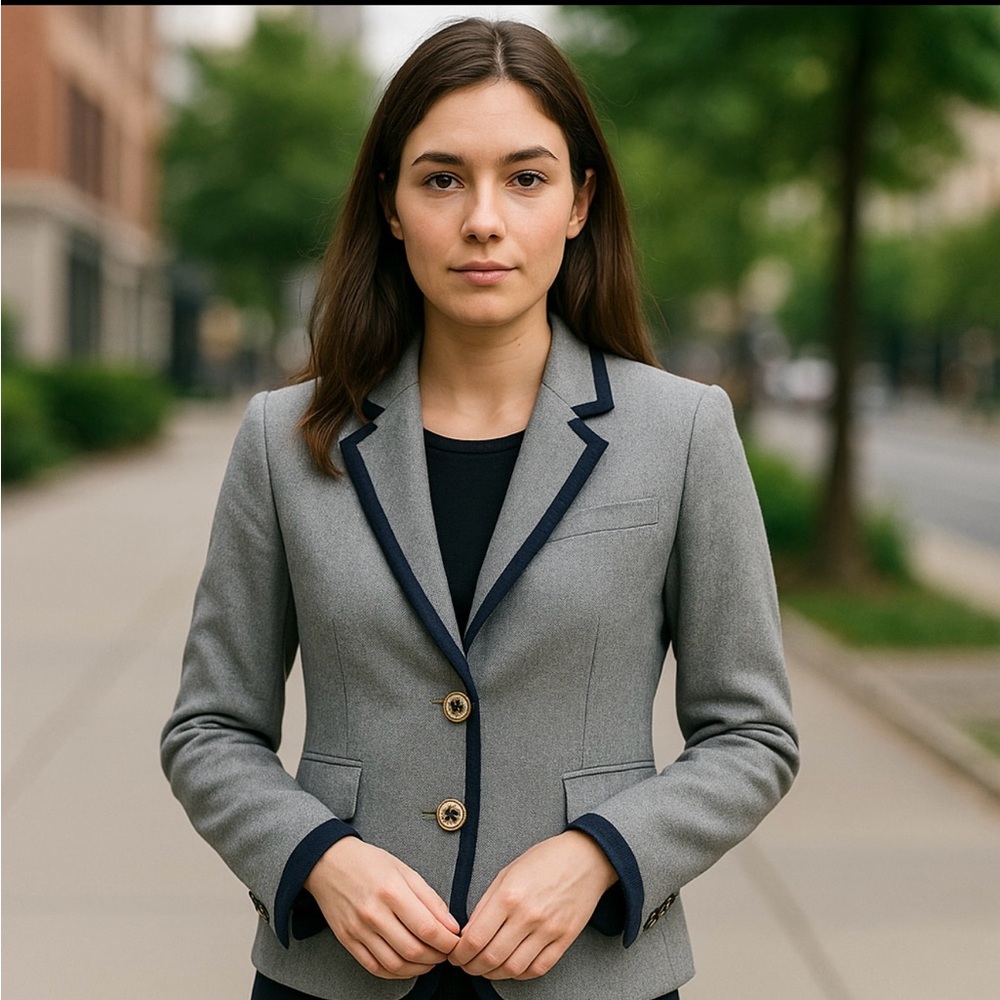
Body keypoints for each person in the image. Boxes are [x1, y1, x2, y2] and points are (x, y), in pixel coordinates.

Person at [161, 17, 799, 1000]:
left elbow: (752, 734)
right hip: (337, 977)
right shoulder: (283, 438)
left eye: (526, 178)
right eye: (442, 179)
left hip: (591, 973)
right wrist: (318, 857)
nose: (483, 220)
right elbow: (208, 727)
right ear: (391, 205)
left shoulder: (681, 431)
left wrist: (601, 854)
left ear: (580, 202)